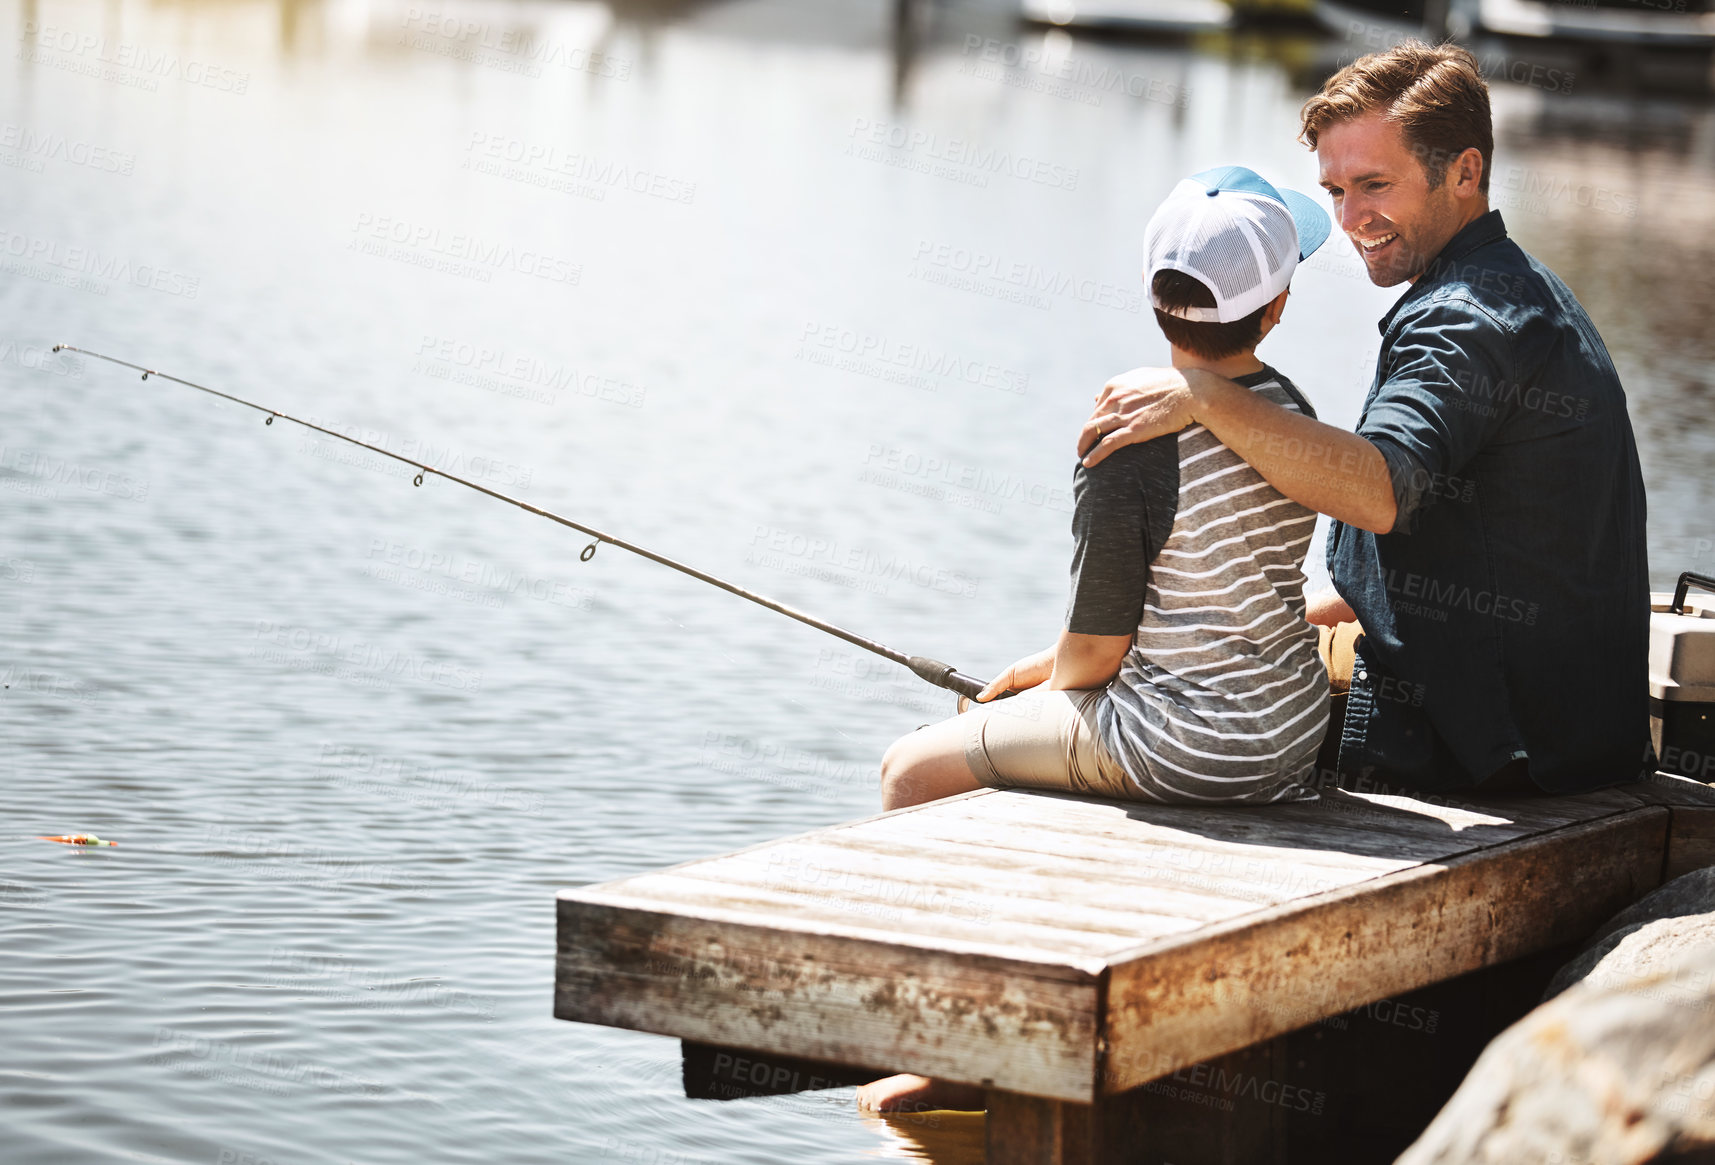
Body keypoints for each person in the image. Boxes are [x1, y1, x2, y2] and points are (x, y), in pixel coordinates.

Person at [858, 164, 1334, 1114]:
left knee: (911, 769)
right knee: (1007, 713)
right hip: (1288, 730)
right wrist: (1041, 674)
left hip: (1188, 741)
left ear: (1156, 301)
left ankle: (950, 1051)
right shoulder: (1289, 411)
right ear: (1275, 309)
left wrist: (1037, 683)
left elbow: (1097, 656)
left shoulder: (1125, 438)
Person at [1078, 41, 1650, 797]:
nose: (1351, 219)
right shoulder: (1513, 288)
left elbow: (1379, 490)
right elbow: (1441, 557)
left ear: (1465, 172)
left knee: (1096, 721)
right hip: (1564, 727)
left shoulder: (1467, 322)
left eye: (1374, 184)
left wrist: (1203, 395)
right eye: (1336, 190)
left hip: (1494, 752)